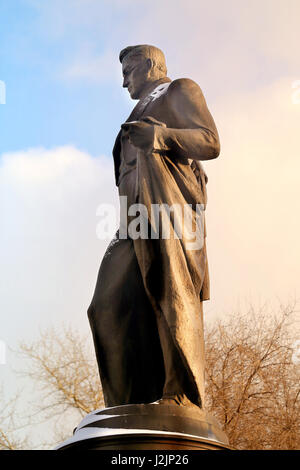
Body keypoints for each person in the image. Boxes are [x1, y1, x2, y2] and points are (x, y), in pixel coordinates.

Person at [88, 45, 220, 409]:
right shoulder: (139, 107)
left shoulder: (180, 89)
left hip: (168, 208)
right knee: (107, 305)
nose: (123, 82)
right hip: (132, 215)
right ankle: (126, 405)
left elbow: (210, 141)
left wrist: (161, 137)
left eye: (128, 72)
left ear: (149, 65)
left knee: (170, 288)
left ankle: (181, 394)